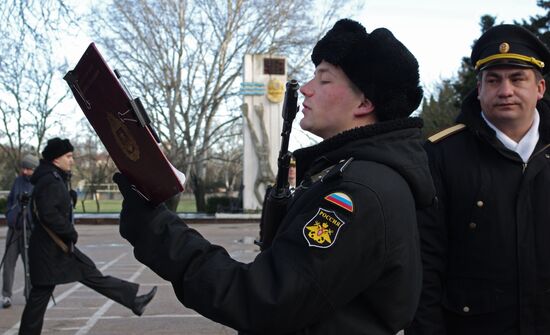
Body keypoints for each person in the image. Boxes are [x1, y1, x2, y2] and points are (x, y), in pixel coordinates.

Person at [113, 19, 435, 334]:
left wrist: (157, 231)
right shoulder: (359, 176)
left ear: (364, 102)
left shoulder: (358, 193)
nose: (306, 89)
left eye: (324, 80)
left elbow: (263, 300)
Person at [407, 24, 550, 335]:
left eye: (517, 79)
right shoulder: (440, 156)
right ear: (480, 88)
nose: (505, 91)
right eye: (494, 80)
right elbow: (424, 265)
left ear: (540, 88)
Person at [18, 138, 157, 335]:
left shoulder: (54, 177)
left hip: (55, 249)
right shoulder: (50, 180)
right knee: (40, 295)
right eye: (68, 156)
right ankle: (133, 300)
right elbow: (48, 214)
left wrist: (69, 201)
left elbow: (53, 208)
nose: (71, 160)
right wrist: (70, 232)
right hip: (49, 251)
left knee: (88, 272)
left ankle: (133, 300)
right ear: (56, 159)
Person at [1, 155, 38, 308]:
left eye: (28, 168)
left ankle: (29, 293)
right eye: (23, 168)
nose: (24, 171)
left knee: (29, 264)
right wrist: (10, 214)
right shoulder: (18, 181)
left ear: (34, 169)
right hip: (14, 229)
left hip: (29, 230)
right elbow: (10, 201)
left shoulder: (38, 184)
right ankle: (6, 295)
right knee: (8, 263)